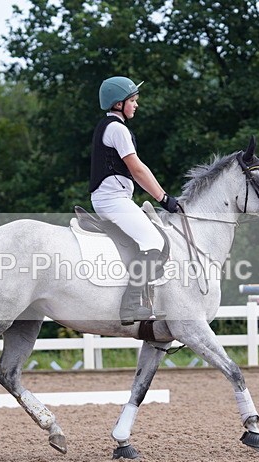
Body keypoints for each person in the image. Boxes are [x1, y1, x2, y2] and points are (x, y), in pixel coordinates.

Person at [89, 76, 180, 325]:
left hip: (111, 197)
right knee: (153, 240)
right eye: (132, 100)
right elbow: (138, 170)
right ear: (118, 104)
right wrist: (164, 198)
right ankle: (130, 307)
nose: (136, 105)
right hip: (112, 199)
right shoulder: (117, 129)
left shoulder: (110, 126)